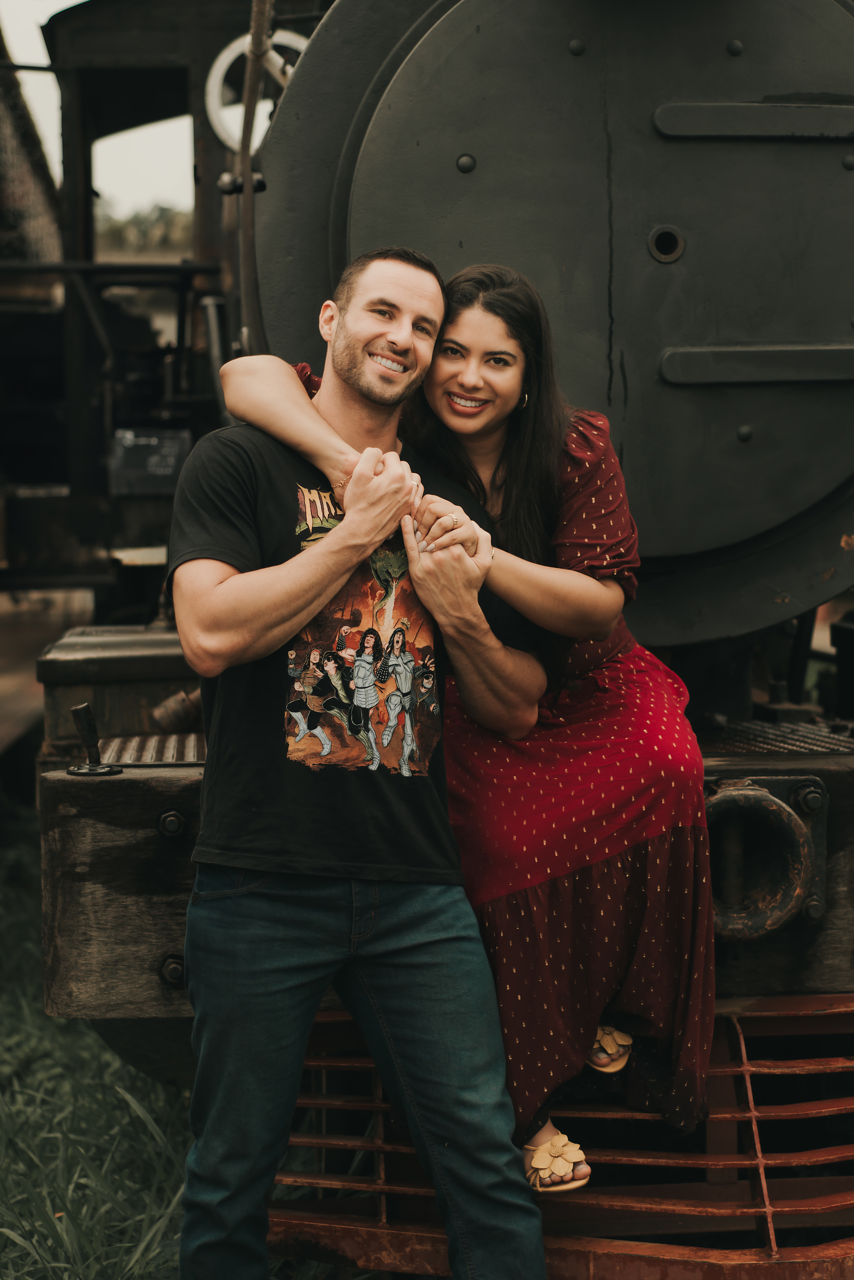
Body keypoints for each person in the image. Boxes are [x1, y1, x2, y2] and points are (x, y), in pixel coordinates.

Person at [220, 262, 715, 1192]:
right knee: (491, 837)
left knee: (668, 760)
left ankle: (615, 1007)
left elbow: (599, 607)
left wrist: (483, 561)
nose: (468, 377)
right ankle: (530, 1089)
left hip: (585, 677)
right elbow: (243, 379)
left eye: (499, 360)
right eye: (452, 352)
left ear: (530, 376)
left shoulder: (571, 447)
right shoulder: (408, 442)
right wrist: (359, 477)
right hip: (476, 684)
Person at [169, 247, 551, 1279]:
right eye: (382, 311)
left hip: (413, 890)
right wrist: (350, 537)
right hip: (260, 878)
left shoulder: (442, 492)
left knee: (482, 1158)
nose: (403, 337)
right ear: (331, 321)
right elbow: (205, 632)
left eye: (421, 328)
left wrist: (457, 604)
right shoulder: (239, 462)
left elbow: (516, 700)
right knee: (230, 1173)